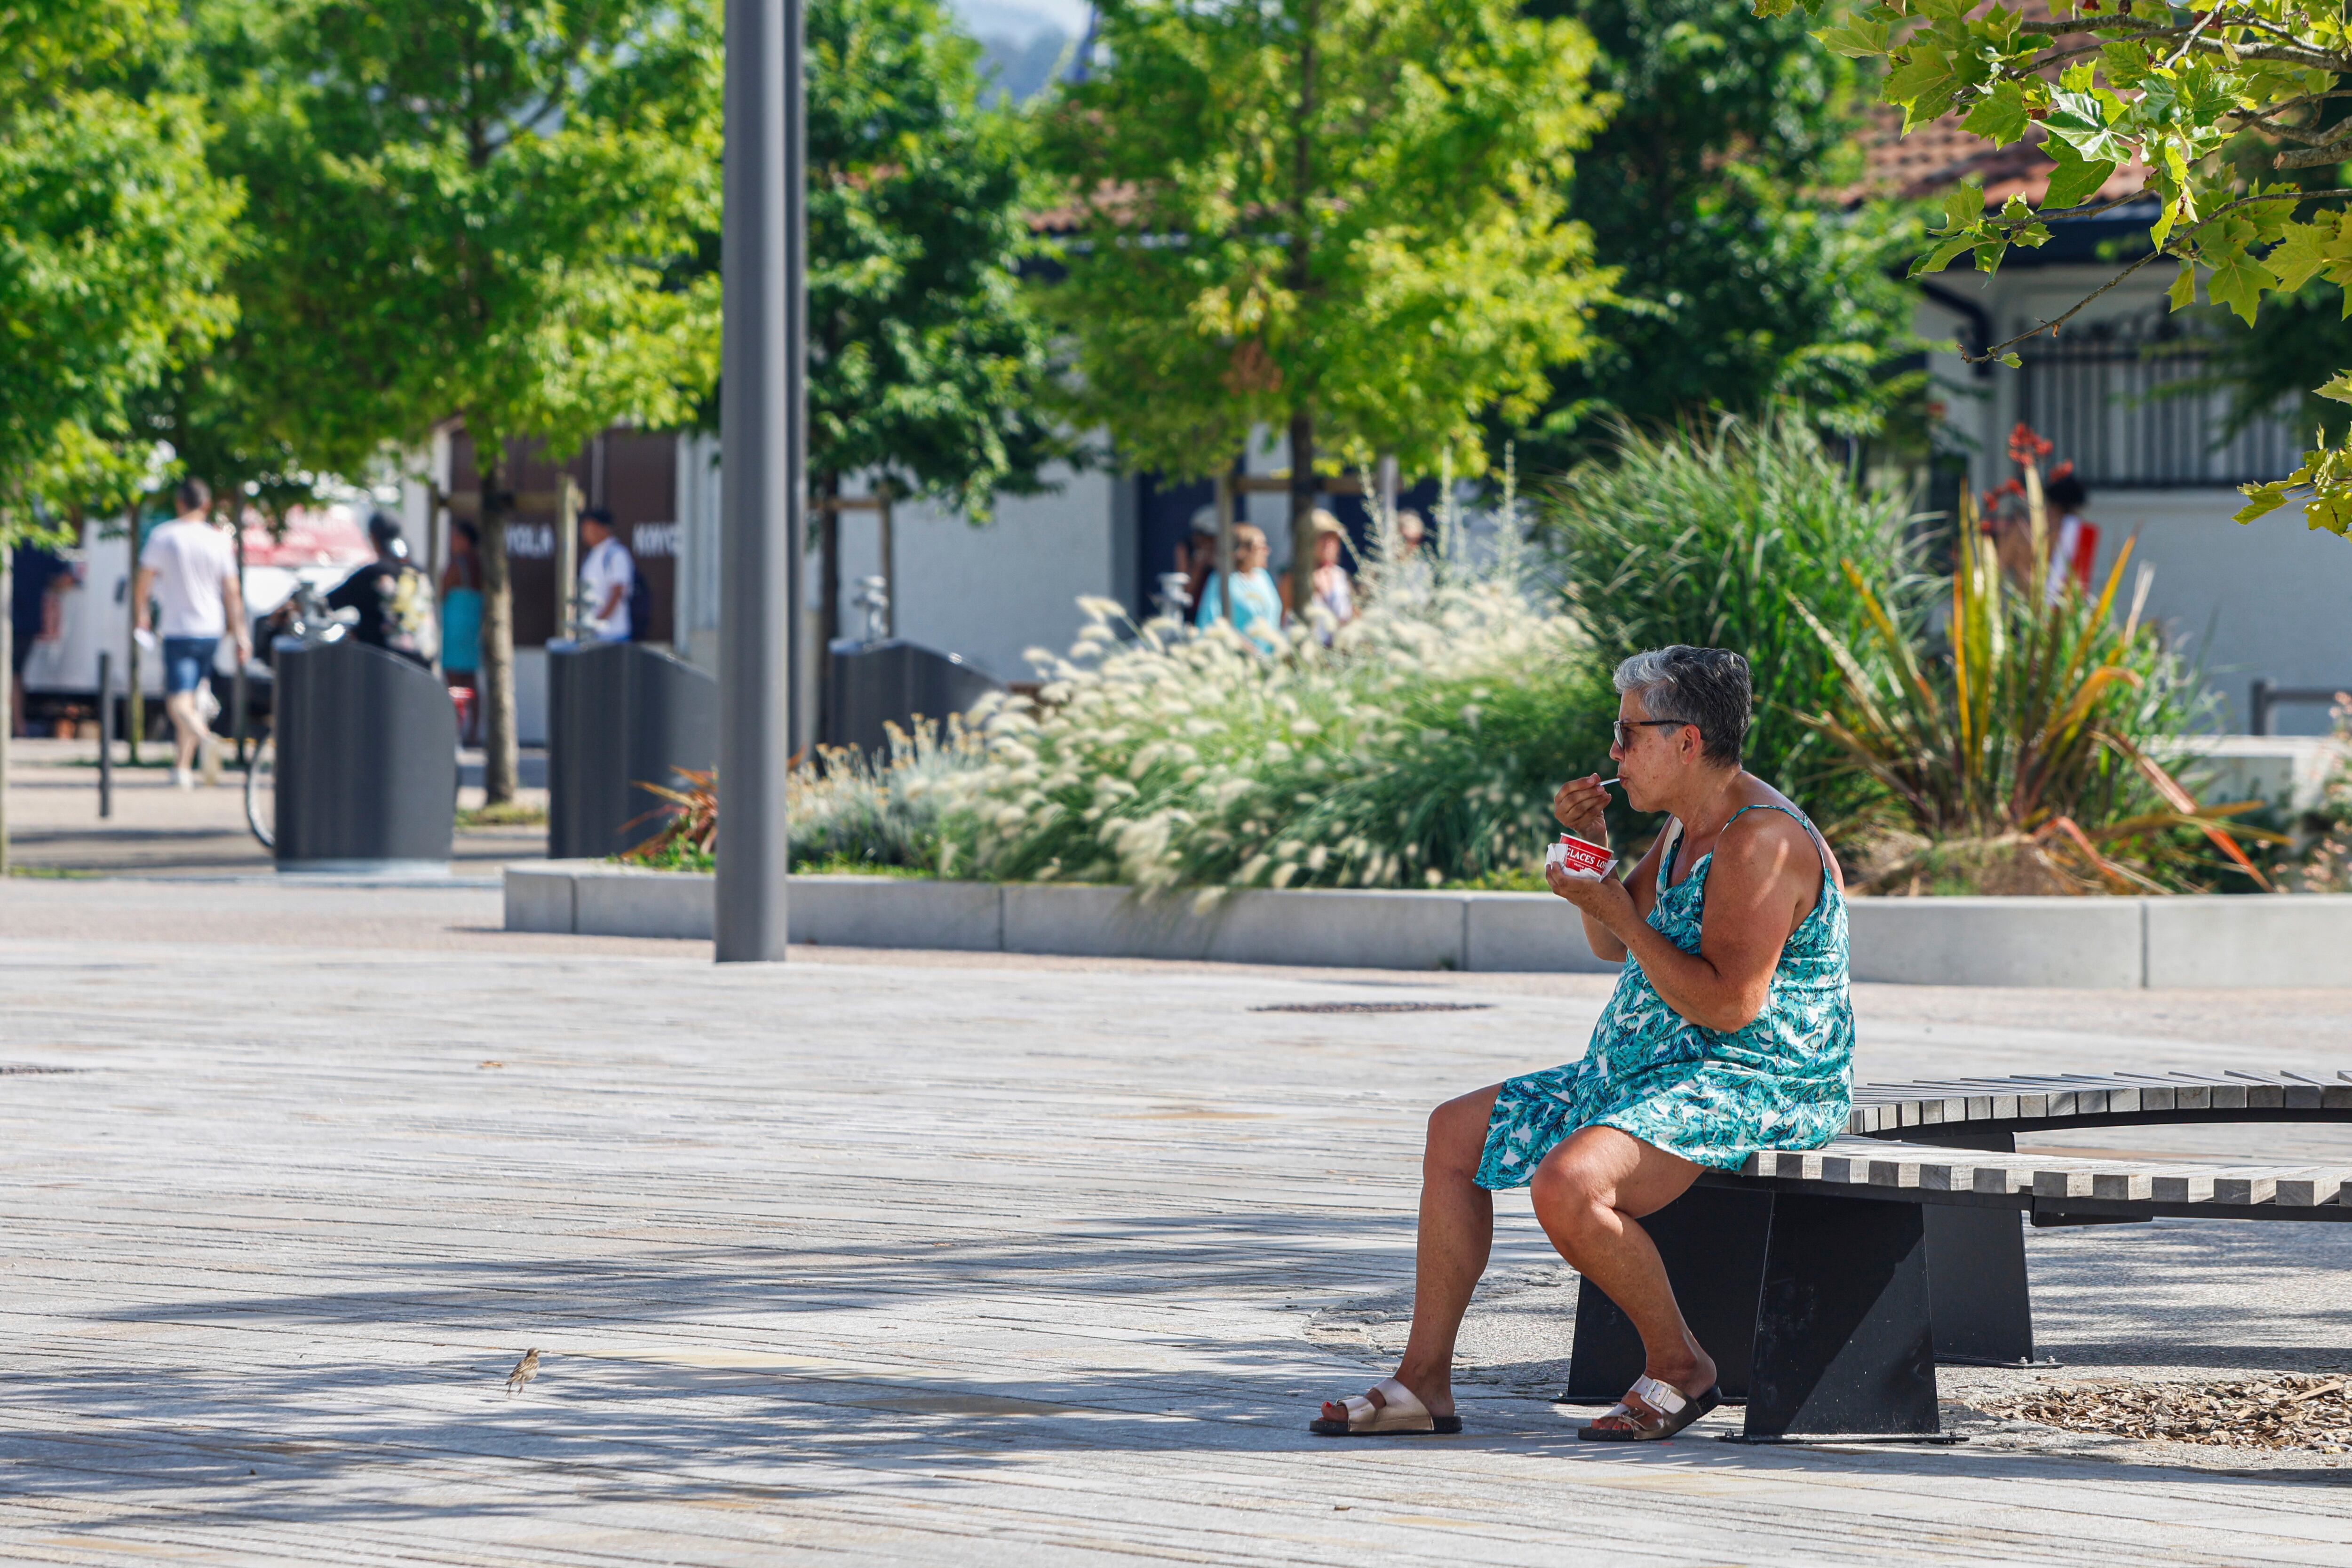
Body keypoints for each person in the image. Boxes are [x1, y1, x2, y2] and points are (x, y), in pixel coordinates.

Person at [1311, 645, 1853, 1443]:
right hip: (1649, 1068)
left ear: (1687, 742)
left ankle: (1681, 1364)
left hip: (1755, 1077)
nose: (1614, 751)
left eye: (1628, 732)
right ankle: (1424, 1381)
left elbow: (1733, 1007)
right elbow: (1612, 943)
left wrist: (1622, 915)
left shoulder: (1759, 841)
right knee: (1454, 1132)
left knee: (1568, 1183)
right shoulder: (1685, 826)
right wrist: (1594, 843)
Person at [133, 479, 248, 789]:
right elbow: (232, 591)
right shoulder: (219, 540)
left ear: (179, 503)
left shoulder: (165, 536)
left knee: (178, 702)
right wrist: (241, 633)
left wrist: (142, 613)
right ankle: (182, 768)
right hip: (211, 628)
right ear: (207, 504)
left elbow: (143, 581)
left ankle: (205, 739)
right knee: (196, 699)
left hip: (178, 628)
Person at [326, 511, 436, 667]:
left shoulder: (372, 574)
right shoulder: (420, 573)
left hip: (382, 672)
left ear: (372, 538)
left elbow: (328, 603)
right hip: (423, 666)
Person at [1193, 523, 1284, 653]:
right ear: (1242, 552)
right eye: (1260, 547)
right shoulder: (1222, 580)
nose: (1267, 551)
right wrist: (1247, 650)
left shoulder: (1263, 577)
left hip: (1270, 661)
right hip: (1238, 661)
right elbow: (1212, 622)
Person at [10, 541, 70, 737]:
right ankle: (18, 725)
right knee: (16, 674)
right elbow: (65, 579)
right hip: (27, 620)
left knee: (12, 674)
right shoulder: (39, 545)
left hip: (16, 620)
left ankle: (17, 725)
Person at [440, 521, 484, 742]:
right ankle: (473, 730)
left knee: (454, 679)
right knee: (470, 678)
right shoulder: (480, 563)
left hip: (455, 623)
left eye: (456, 537)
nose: (452, 542)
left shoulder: (457, 564)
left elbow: (443, 590)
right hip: (474, 623)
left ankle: (457, 729)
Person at [577, 507, 635, 642]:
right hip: (594, 635)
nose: (585, 533)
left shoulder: (617, 554)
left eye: (588, 528)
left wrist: (599, 621)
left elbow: (617, 593)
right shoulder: (591, 555)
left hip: (614, 635)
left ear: (601, 528)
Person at [1307, 509, 1355, 637]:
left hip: (1338, 653)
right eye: (1322, 537)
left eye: (1332, 538)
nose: (1328, 544)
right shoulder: (1296, 577)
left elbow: (1353, 615)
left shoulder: (1341, 576)